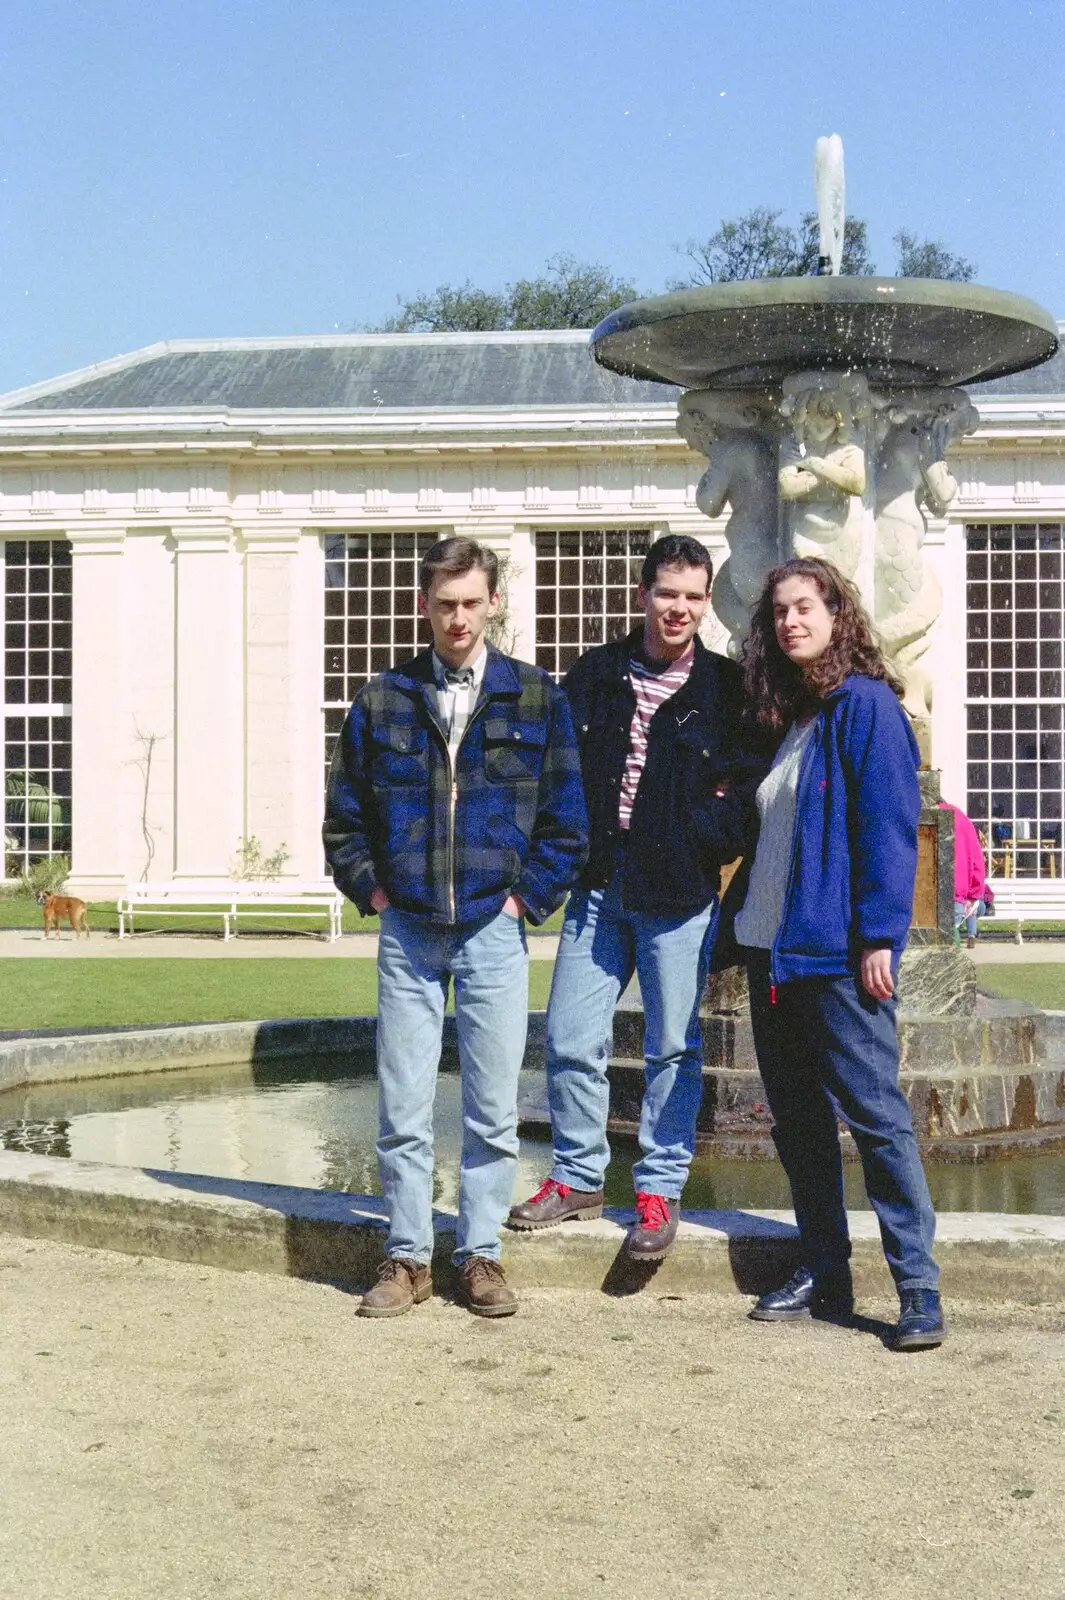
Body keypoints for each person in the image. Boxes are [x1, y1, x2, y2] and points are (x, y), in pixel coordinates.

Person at [324, 537, 587, 1319]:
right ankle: (405, 1258)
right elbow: (344, 822)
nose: (459, 618)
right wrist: (373, 893)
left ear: (494, 603)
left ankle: (479, 1256)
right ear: (423, 607)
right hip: (406, 928)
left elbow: (567, 824)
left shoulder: (537, 698)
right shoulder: (382, 700)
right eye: (445, 604)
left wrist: (520, 901)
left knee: (491, 1107)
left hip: (491, 928)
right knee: (402, 1105)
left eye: (472, 603)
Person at [508, 535, 764, 1258]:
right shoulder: (593, 674)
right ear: (642, 594)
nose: (677, 608)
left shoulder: (726, 689)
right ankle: (578, 1177)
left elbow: (749, 790)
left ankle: (657, 1189)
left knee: (672, 1048)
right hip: (597, 888)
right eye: (666, 593)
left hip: (678, 892)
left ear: (704, 601)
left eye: (691, 595)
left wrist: (700, 837)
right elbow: (553, 774)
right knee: (568, 1038)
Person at [735, 556, 946, 1351]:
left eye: (805, 607)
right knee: (798, 1125)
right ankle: (825, 1268)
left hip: (836, 956)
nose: (791, 620)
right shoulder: (793, 715)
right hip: (772, 952)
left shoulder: (863, 706)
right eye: (780, 610)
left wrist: (877, 938)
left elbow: (887, 829)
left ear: (836, 615)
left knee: (878, 1121)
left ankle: (917, 1289)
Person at [940, 798, 989, 948]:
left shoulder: (913, 811)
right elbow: (977, 861)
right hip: (955, 892)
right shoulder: (962, 819)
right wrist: (974, 894)